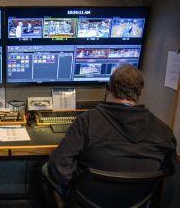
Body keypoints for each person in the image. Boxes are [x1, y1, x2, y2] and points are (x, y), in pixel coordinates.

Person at [42, 64, 177, 206]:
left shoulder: (87, 121)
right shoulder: (164, 131)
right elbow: (168, 171)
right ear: (141, 90)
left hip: (87, 201)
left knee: (46, 168)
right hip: (135, 202)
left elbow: (59, 168)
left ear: (109, 87)